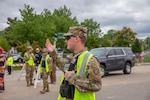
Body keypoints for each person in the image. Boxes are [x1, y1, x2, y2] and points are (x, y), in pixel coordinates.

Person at [46, 26, 102, 100]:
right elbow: (62, 65)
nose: (66, 41)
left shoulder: (90, 59)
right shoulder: (72, 58)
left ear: (76, 38)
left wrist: (74, 78)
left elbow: (96, 85)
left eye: (68, 38)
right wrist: (53, 52)